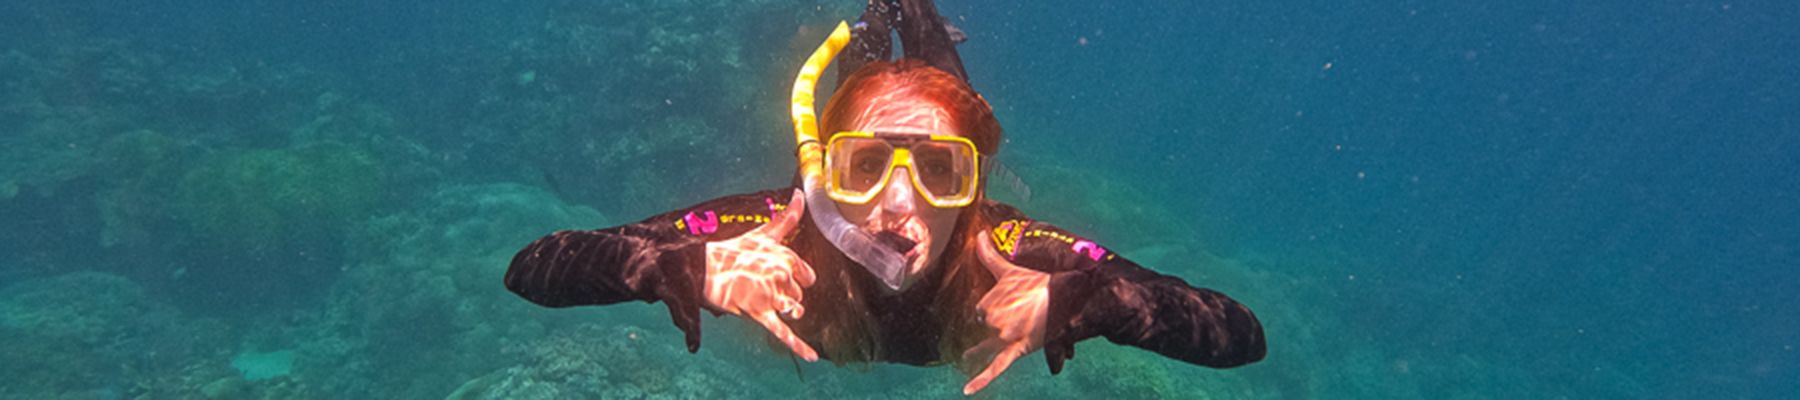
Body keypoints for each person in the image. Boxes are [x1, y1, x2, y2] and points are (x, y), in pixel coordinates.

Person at [504, 0, 1265, 394]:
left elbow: (1237, 333)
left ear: (971, 188)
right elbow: (535, 266)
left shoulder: (1008, 252)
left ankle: (916, 16)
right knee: (881, 92)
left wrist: (1090, 302)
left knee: (937, 91)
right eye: (862, 167)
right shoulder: (775, 230)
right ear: (822, 171)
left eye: (940, 173)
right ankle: (879, 32)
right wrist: (680, 267)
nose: (894, 205)